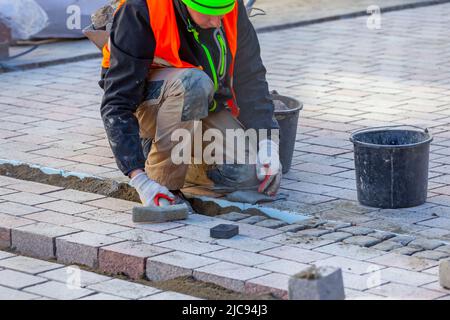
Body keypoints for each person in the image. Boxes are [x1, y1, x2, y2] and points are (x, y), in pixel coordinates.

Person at [99, 0, 282, 211]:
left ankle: (166, 152)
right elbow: (116, 103)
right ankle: (163, 182)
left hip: (201, 104)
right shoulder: (140, 10)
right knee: (194, 83)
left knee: (246, 174)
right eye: (209, 14)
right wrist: (139, 179)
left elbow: (250, 77)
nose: (216, 22)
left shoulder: (232, 7)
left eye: (221, 13)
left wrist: (267, 143)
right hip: (149, 106)